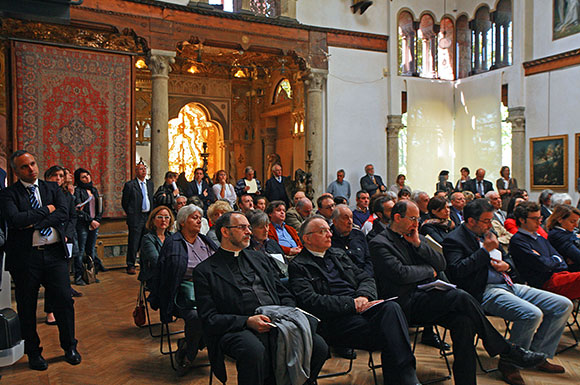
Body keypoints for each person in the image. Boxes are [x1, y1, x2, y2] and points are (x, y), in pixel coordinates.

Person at [370, 200, 546, 385]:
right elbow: (401, 274)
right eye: (413, 219)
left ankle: (467, 381)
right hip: (402, 305)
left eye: (418, 219)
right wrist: (429, 271)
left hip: (426, 297)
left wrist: (418, 244)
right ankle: (507, 350)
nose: (417, 223)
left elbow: (441, 264)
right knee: (459, 295)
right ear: (398, 217)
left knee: (465, 322)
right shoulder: (380, 242)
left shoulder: (414, 236)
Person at [442, 199, 572, 384]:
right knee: (531, 314)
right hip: (484, 290)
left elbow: (509, 259)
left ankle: (537, 355)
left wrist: (507, 266)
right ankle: (510, 363)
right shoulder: (454, 240)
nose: (490, 225)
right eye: (486, 221)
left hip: (508, 283)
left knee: (562, 305)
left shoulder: (489, 232)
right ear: (471, 221)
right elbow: (457, 272)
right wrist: (485, 251)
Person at [193, 212, 328, 385]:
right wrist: (247, 321)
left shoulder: (259, 258)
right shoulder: (205, 271)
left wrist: (286, 312)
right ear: (225, 232)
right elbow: (209, 319)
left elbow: (283, 292)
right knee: (254, 350)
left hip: (277, 320)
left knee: (319, 346)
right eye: (242, 227)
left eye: (249, 227)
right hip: (237, 328)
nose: (249, 231)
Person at [289, 216, 420, 385]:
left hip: (362, 308)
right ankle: (407, 378)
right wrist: (351, 304)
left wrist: (363, 297)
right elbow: (310, 301)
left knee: (392, 308)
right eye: (322, 232)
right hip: (336, 320)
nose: (329, 234)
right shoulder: (299, 266)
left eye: (328, 230)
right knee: (392, 332)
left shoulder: (338, 254)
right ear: (307, 238)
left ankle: (406, 379)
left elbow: (366, 278)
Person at [0, 150, 81, 370]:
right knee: (27, 307)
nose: (31, 169)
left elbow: (64, 213)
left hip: (55, 255)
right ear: (16, 171)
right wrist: (46, 211)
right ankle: (34, 353)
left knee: (65, 301)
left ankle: (69, 347)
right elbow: (15, 219)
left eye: (33, 164)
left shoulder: (52, 188)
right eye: (25, 167)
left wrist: (32, 222)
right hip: (26, 258)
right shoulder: (9, 194)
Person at [153, 204, 217, 376]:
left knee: (228, 309)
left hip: (209, 292)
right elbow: (165, 276)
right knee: (197, 317)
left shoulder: (205, 240)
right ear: (182, 222)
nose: (198, 220)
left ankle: (190, 343)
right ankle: (189, 354)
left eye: (199, 217)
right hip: (183, 294)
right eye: (193, 217)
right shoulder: (173, 243)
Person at [510, 201, 580, 300]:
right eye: (535, 219)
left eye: (540, 218)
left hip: (559, 276)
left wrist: (551, 260)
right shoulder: (518, 240)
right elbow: (542, 265)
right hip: (545, 284)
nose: (539, 222)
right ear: (522, 220)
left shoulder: (540, 238)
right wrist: (554, 260)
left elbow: (561, 261)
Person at [121, 162, 154, 275]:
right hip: (136, 217)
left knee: (146, 241)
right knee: (134, 241)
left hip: (147, 216)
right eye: (140, 169)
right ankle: (130, 264)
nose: (143, 171)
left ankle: (144, 263)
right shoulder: (130, 185)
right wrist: (131, 213)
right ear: (136, 172)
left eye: (144, 169)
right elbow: (125, 202)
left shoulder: (150, 184)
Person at [74, 168, 106, 274]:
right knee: (81, 250)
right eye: (83, 177)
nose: (87, 178)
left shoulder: (94, 190)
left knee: (91, 249)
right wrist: (90, 221)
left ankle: (91, 273)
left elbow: (100, 207)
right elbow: (78, 209)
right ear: (79, 179)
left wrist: (97, 220)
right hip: (83, 224)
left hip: (95, 224)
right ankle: (79, 275)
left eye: (88, 175)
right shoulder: (78, 191)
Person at [331, 204, 373, 276]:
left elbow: (369, 259)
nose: (350, 221)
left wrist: (366, 277)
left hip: (364, 277)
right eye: (345, 218)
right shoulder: (328, 238)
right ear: (335, 221)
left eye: (351, 217)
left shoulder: (359, 235)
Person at [138, 205, 174, 290]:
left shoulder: (172, 236)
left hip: (170, 272)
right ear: (153, 220)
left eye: (166, 217)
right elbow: (156, 260)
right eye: (160, 217)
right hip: (154, 276)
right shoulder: (148, 238)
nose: (163, 220)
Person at [246, 209, 288, 278]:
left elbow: (285, 265)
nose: (266, 230)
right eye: (261, 227)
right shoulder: (247, 247)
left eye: (267, 226)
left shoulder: (273, 244)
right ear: (251, 229)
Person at [547, 204, 580, 271]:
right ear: (560, 220)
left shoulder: (567, 232)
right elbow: (577, 256)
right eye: (572, 222)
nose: (576, 225)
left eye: (577, 222)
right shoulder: (557, 235)